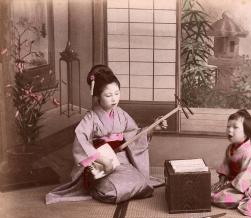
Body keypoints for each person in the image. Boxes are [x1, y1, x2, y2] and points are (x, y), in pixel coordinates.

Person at [46, 65, 166, 204]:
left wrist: (153, 128)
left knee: (143, 183)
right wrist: (102, 159)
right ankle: (100, 188)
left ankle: (119, 186)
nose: (114, 99)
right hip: (102, 165)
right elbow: (81, 141)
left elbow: (135, 135)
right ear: (97, 96)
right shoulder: (91, 118)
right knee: (113, 190)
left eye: (117, 93)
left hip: (122, 162)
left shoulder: (121, 114)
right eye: (108, 95)